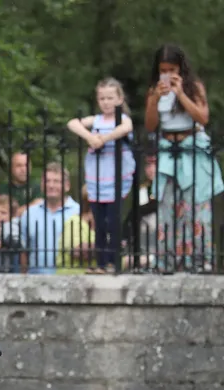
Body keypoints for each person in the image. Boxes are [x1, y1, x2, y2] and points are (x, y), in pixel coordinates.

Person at [144, 43, 223, 272]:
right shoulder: (155, 89)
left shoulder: (193, 87)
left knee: (195, 207)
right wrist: (155, 99)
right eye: (163, 70)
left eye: (172, 69)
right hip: (168, 147)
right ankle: (166, 260)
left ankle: (198, 260)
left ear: (180, 68)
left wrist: (180, 94)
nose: (167, 74)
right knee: (167, 207)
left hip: (191, 146)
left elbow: (203, 116)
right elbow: (150, 125)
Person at [67, 77, 135, 273]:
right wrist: (89, 137)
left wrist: (103, 139)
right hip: (97, 178)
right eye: (102, 98)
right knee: (99, 222)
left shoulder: (122, 119)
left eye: (110, 98)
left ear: (119, 99)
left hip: (115, 178)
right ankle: (101, 262)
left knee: (113, 221)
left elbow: (125, 128)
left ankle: (114, 261)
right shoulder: (95, 120)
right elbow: (73, 123)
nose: (106, 102)